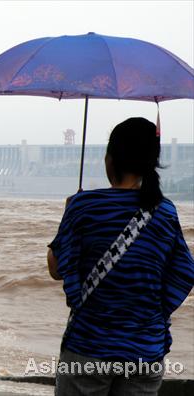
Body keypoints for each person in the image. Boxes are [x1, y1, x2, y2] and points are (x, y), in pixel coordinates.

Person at [47, 117, 194, 396]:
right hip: (146, 351)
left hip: (89, 347)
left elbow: (56, 269)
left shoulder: (84, 205)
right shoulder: (165, 212)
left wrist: (68, 214)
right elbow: (184, 273)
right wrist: (150, 317)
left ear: (110, 159)